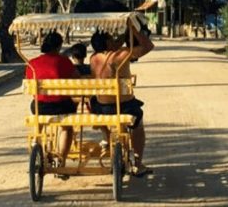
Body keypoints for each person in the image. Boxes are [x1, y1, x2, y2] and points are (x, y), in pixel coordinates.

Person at [89, 24, 154, 177]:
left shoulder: (93, 58)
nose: (115, 40)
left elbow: (114, 45)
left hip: (102, 107)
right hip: (124, 106)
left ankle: (107, 137)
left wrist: (124, 34)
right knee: (138, 124)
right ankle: (138, 163)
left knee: (94, 102)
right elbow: (148, 46)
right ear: (107, 43)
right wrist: (134, 31)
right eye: (111, 38)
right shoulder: (122, 54)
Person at [25, 32, 79, 175]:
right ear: (59, 46)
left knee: (36, 107)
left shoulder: (32, 64)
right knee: (66, 127)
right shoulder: (64, 61)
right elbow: (77, 79)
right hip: (60, 105)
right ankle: (61, 161)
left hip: (40, 106)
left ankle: (36, 141)